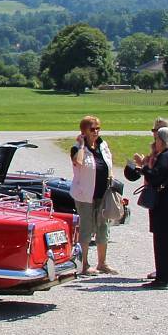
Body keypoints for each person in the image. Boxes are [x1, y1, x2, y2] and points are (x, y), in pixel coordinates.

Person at [129, 126, 168, 289]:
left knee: (164, 242)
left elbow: (155, 177)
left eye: (157, 139)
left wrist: (142, 169)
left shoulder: (165, 156)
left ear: (162, 141)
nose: (155, 142)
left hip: (167, 206)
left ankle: (162, 279)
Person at [69, 115, 115, 275]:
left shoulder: (103, 145)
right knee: (86, 229)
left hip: (103, 194)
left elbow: (109, 165)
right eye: (92, 129)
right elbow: (78, 162)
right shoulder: (77, 148)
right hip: (85, 195)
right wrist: (82, 145)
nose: (96, 132)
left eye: (98, 128)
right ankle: (84, 264)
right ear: (84, 131)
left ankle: (102, 263)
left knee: (103, 227)